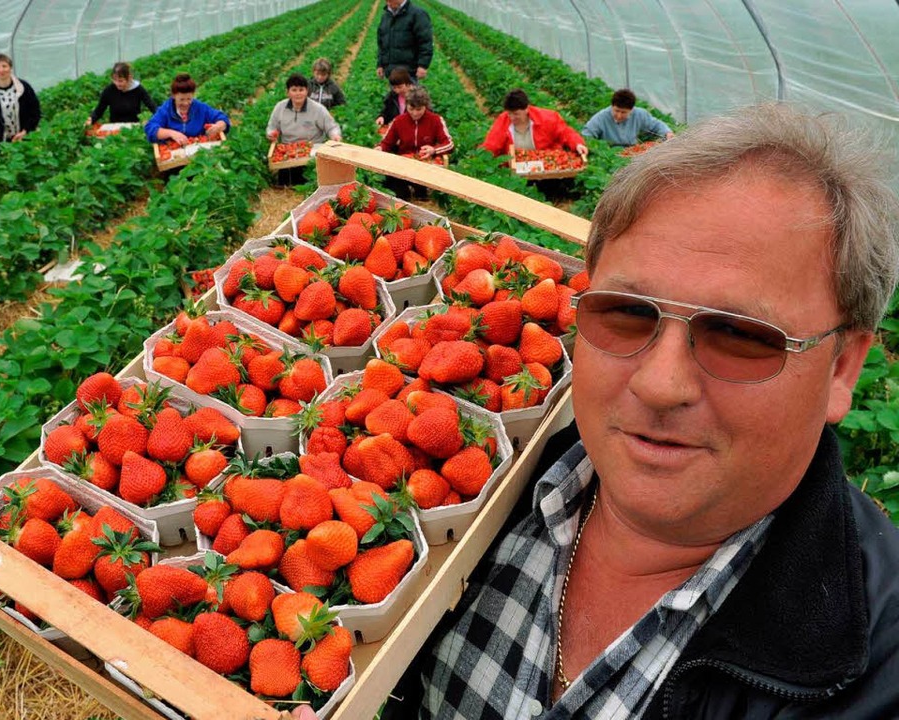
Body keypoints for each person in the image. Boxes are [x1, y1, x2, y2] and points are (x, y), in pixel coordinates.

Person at [296, 104, 899, 719]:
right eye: (627, 311)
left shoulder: (877, 675)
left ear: (842, 367)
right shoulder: (495, 486)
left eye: (741, 334)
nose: (662, 384)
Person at [266, 72, 342, 185]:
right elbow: (271, 127)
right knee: (285, 183)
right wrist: (271, 134)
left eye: (301, 90)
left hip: (311, 151)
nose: (298, 93)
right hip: (288, 151)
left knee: (307, 181)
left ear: (307, 91)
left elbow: (331, 127)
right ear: (288, 92)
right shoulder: (280, 107)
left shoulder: (317, 109)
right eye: (294, 90)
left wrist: (335, 135)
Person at [378, 86, 452, 200]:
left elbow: (449, 144)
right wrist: (380, 148)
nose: (415, 113)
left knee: (421, 193)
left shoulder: (435, 120)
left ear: (425, 106)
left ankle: (420, 190)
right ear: (406, 105)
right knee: (400, 193)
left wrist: (434, 150)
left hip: (426, 164)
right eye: (411, 109)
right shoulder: (399, 121)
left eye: (419, 109)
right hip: (405, 164)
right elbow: (386, 143)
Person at [482, 89, 588, 161]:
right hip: (516, 169)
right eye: (509, 113)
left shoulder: (547, 118)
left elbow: (565, 132)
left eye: (516, 114)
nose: (512, 117)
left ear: (527, 109)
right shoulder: (503, 121)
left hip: (545, 164)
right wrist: (480, 159)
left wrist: (578, 144)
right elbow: (491, 145)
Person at [144, 73, 228, 146]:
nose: (185, 103)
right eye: (181, 99)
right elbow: (150, 128)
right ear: (173, 96)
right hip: (174, 156)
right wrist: (171, 133)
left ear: (193, 95)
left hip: (200, 150)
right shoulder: (165, 110)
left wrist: (219, 126)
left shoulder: (200, 108)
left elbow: (221, 117)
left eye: (189, 99)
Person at [0, 54, 41, 149]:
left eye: (4, 66)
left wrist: (25, 131)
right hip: (1, 143)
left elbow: (35, 112)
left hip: (25, 138)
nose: (1, 70)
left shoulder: (24, 87)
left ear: (10, 67)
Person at [582, 88, 675, 147]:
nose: (619, 115)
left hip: (632, 152)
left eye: (623, 112)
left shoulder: (639, 114)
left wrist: (667, 132)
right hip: (610, 153)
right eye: (616, 111)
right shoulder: (601, 117)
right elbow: (587, 134)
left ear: (631, 110)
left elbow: (656, 125)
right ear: (612, 106)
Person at [84, 62, 158, 127]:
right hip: (114, 128)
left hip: (133, 129)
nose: (117, 84)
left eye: (120, 81)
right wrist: (91, 119)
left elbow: (152, 106)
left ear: (129, 78)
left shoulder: (138, 89)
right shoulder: (109, 90)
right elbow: (98, 111)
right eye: (115, 80)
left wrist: (159, 120)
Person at [376, 0, 433, 81]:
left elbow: (425, 42)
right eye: (386, 1)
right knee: (395, 93)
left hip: (408, 73)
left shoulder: (417, 14)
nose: (388, 3)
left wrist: (423, 65)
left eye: (390, 0)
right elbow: (381, 44)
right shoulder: (386, 16)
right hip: (391, 73)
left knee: (410, 93)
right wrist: (380, 64)